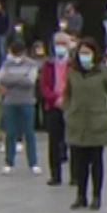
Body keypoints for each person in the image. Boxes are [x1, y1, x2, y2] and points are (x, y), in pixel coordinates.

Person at [63, 39, 107, 210]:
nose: (84, 56)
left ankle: (97, 196)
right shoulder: (73, 72)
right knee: (79, 162)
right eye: (82, 53)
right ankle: (80, 196)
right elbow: (67, 94)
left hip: (97, 123)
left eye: (87, 53)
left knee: (96, 161)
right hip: (77, 122)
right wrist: (67, 111)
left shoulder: (103, 71)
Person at [0, 40, 41, 176]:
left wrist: (12, 80)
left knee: (29, 133)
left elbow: (30, 81)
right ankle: (9, 162)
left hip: (26, 102)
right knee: (10, 133)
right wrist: (20, 79)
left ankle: (33, 163)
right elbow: (1, 79)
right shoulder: (6, 64)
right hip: (10, 102)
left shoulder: (31, 64)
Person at [38, 35, 72, 185]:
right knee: (54, 142)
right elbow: (44, 86)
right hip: (53, 106)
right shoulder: (48, 64)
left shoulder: (74, 64)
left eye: (63, 43)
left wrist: (66, 99)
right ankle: (55, 175)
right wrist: (54, 99)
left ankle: (75, 175)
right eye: (57, 43)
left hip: (70, 106)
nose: (60, 46)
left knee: (73, 142)